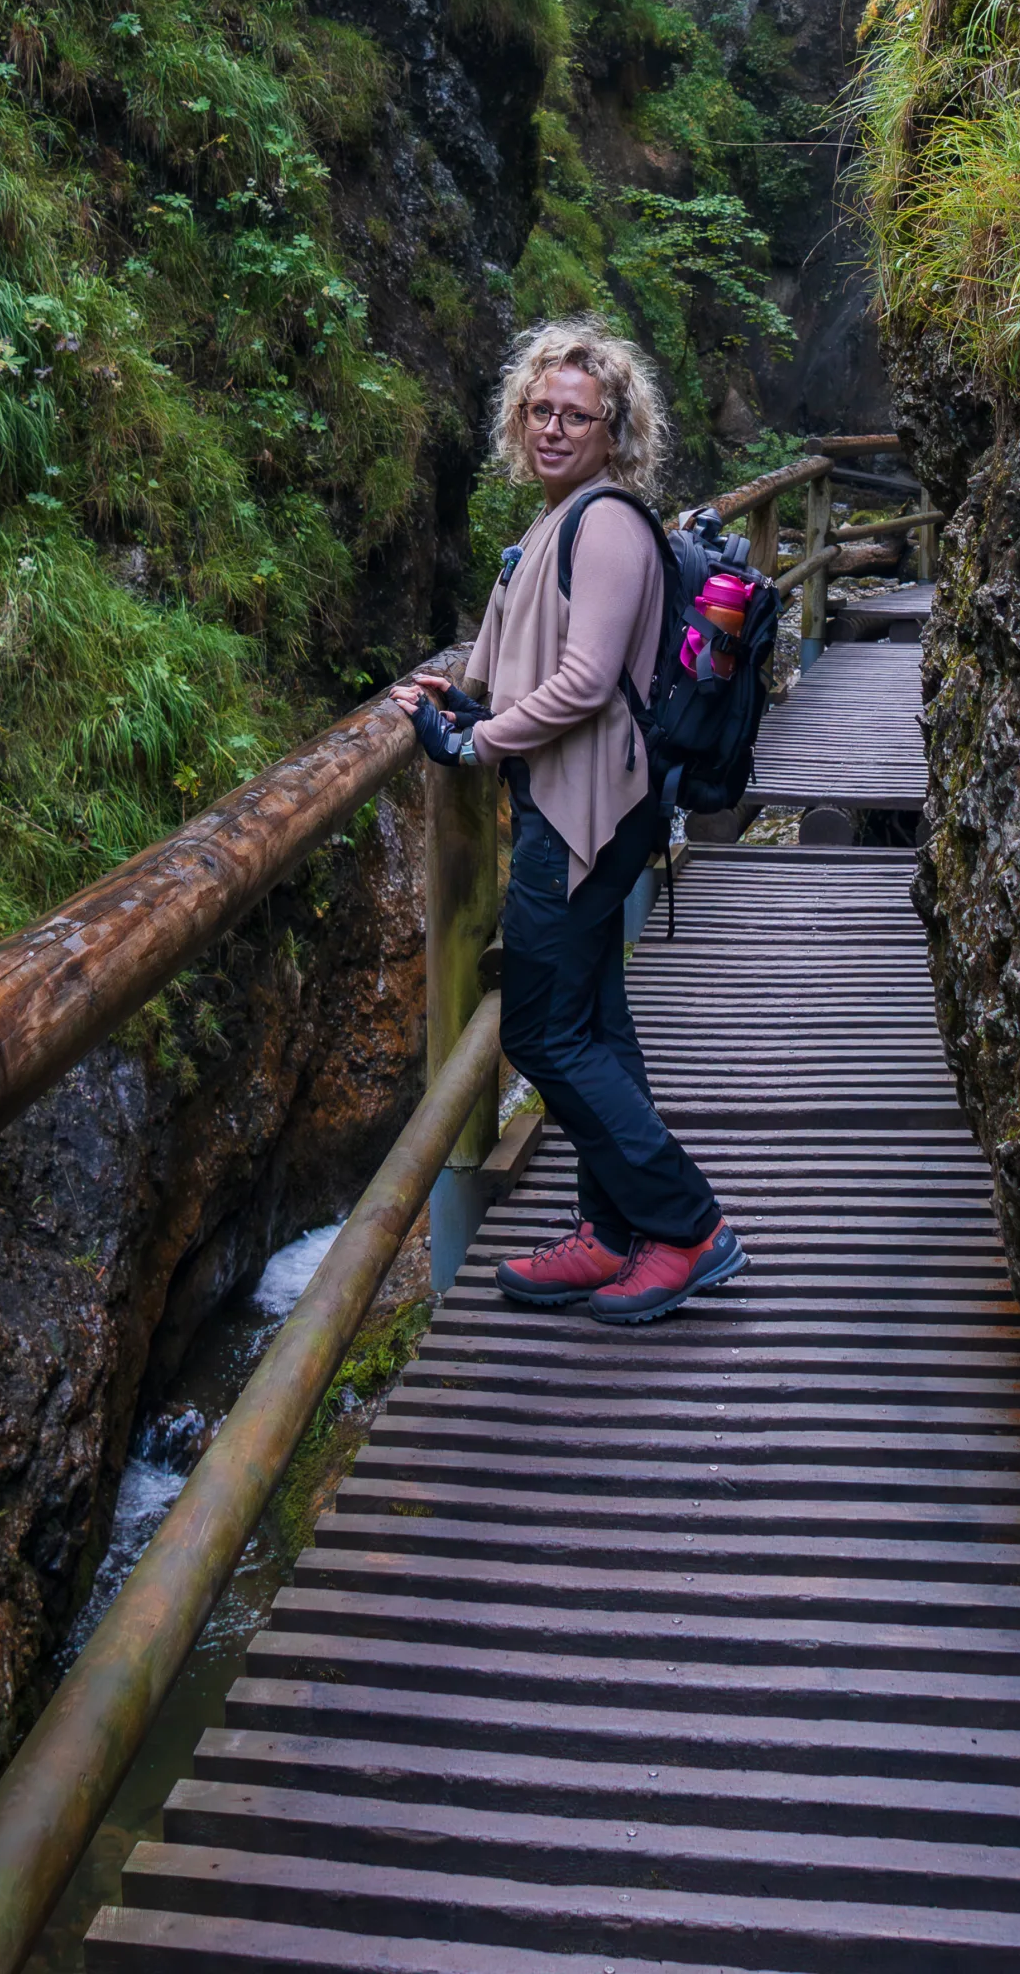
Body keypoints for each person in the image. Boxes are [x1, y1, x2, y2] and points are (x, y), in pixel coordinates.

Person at [391, 320, 746, 1326]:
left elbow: (586, 681)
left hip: (587, 815)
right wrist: (460, 706)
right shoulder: (557, 520)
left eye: (575, 416)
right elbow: (530, 667)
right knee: (593, 1020)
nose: (552, 427)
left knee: (543, 1029)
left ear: (612, 430)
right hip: (574, 803)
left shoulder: (606, 526)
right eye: (539, 410)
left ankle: (685, 1227)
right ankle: (612, 1229)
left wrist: (473, 744)